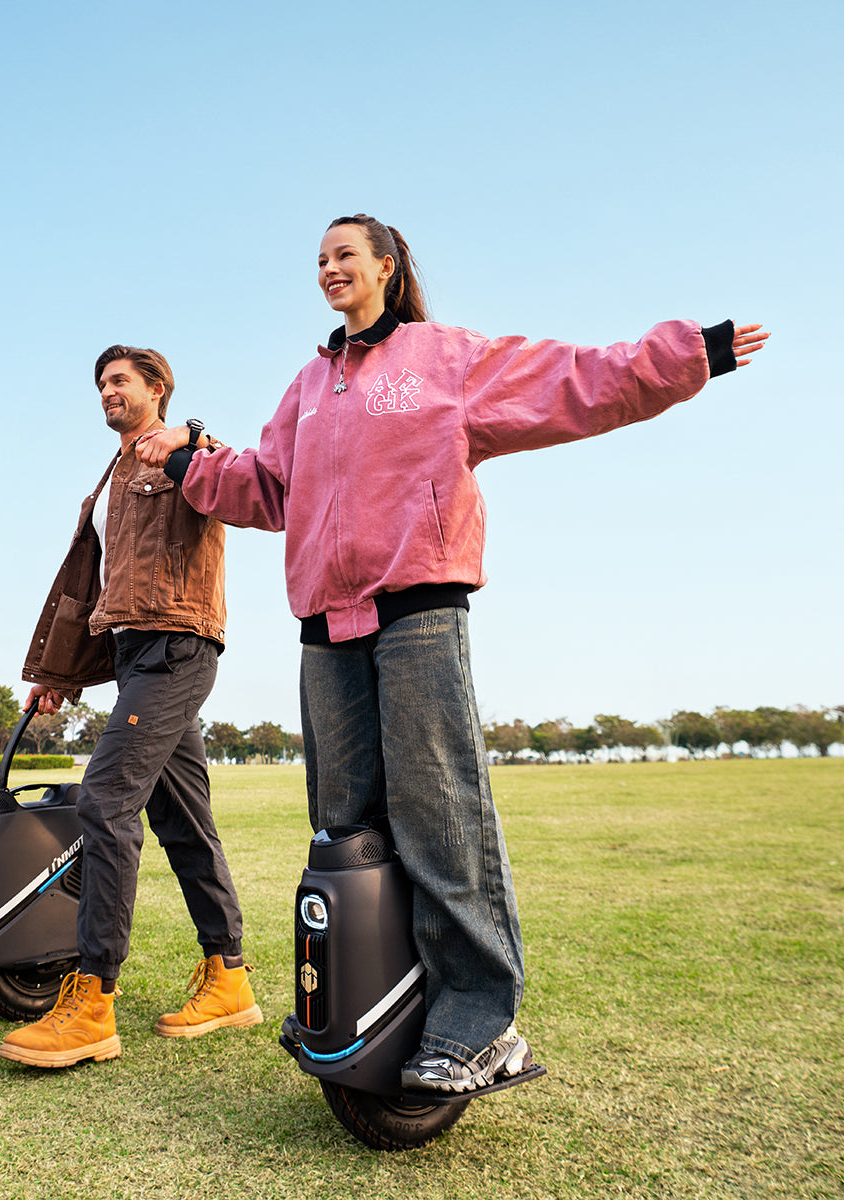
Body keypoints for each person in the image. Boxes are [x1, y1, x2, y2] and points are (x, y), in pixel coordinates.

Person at [136, 214, 768, 1096]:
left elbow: (576, 382)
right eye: (319, 259)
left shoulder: (445, 360)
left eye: (344, 255)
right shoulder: (310, 386)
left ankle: (479, 1020)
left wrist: (688, 356)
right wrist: (192, 468)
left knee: (438, 813)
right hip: (325, 622)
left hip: (418, 607)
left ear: (387, 268)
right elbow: (268, 486)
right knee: (343, 825)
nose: (329, 269)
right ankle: (369, 994)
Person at [0, 344, 262, 1070]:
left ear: (157, 389)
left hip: (178, 648)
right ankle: (230, 979)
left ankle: (93, 1001)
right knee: (183, 821)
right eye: (101, 384)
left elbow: (246, 479)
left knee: (107, 800)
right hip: (133, 655)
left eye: (120, 381)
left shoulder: (186, 454)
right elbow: (92, 588)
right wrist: (60, 673)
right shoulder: (110, 479)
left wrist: (195, 437)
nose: (107, 391)